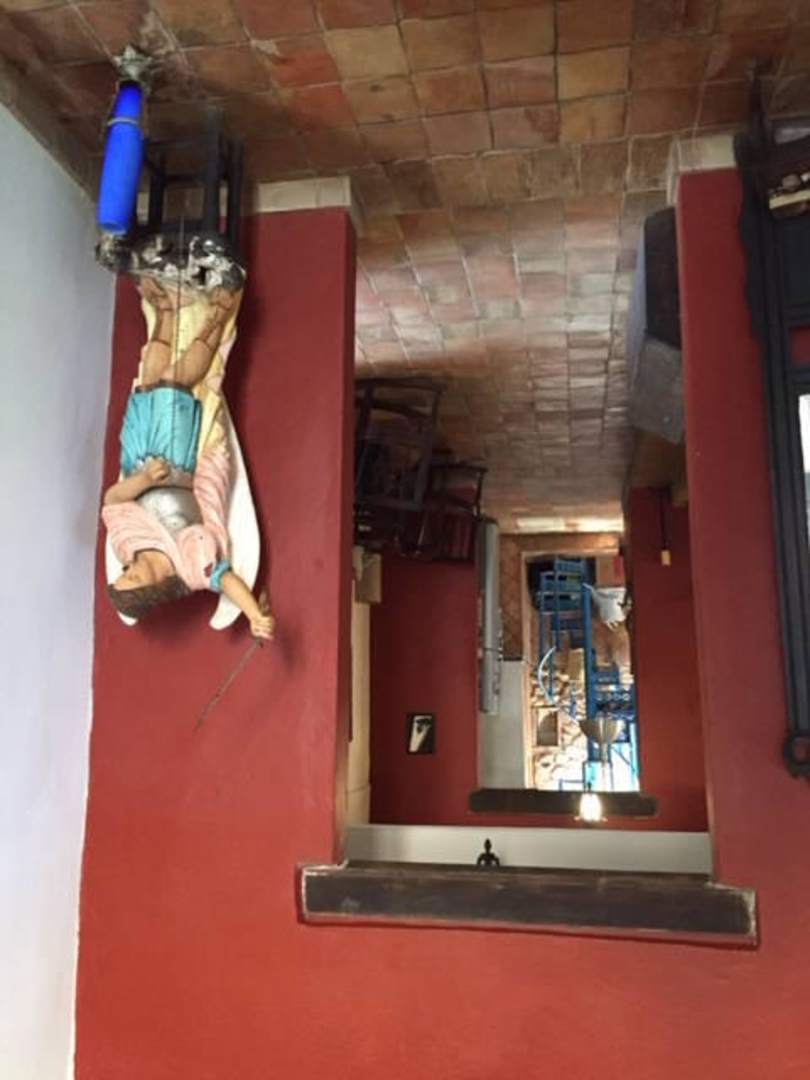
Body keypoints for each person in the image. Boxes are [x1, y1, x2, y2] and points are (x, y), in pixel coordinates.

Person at [102, 275, 274, 640]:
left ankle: (166, 311)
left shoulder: (126, 547)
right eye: (131, 580)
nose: (126, 572)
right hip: (177, 464)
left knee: (148, 383)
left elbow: (113, 501)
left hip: (138, 462)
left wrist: (142, 480)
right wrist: (254, 615)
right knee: (171, 383)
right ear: (149, 591)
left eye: (123, 576)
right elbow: (228, 580)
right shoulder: (192, 569)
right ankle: (218, 315)